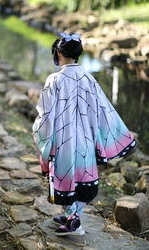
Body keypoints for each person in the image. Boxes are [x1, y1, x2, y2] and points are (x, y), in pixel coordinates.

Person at [32, 32, 136, 236]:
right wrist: (104, 138)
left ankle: (75, 221)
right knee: (83, 178)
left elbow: (45, 116)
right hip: (86, 140)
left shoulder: (55, 80)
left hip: (64, 140)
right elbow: (105, 111)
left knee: (65, 178)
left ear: (59, 53)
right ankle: (73, 216)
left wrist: (39, 131)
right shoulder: (90, 79)